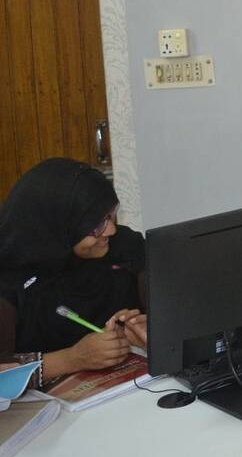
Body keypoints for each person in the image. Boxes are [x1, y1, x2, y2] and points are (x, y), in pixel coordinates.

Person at [0, 159, 146, 391]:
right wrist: (71, 359)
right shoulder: (9, 276)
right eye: (95, 224)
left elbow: (172, 312)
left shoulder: (123, 247)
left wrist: (144, 332)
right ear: (58, 223)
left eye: (111, 215)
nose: (111, 229)